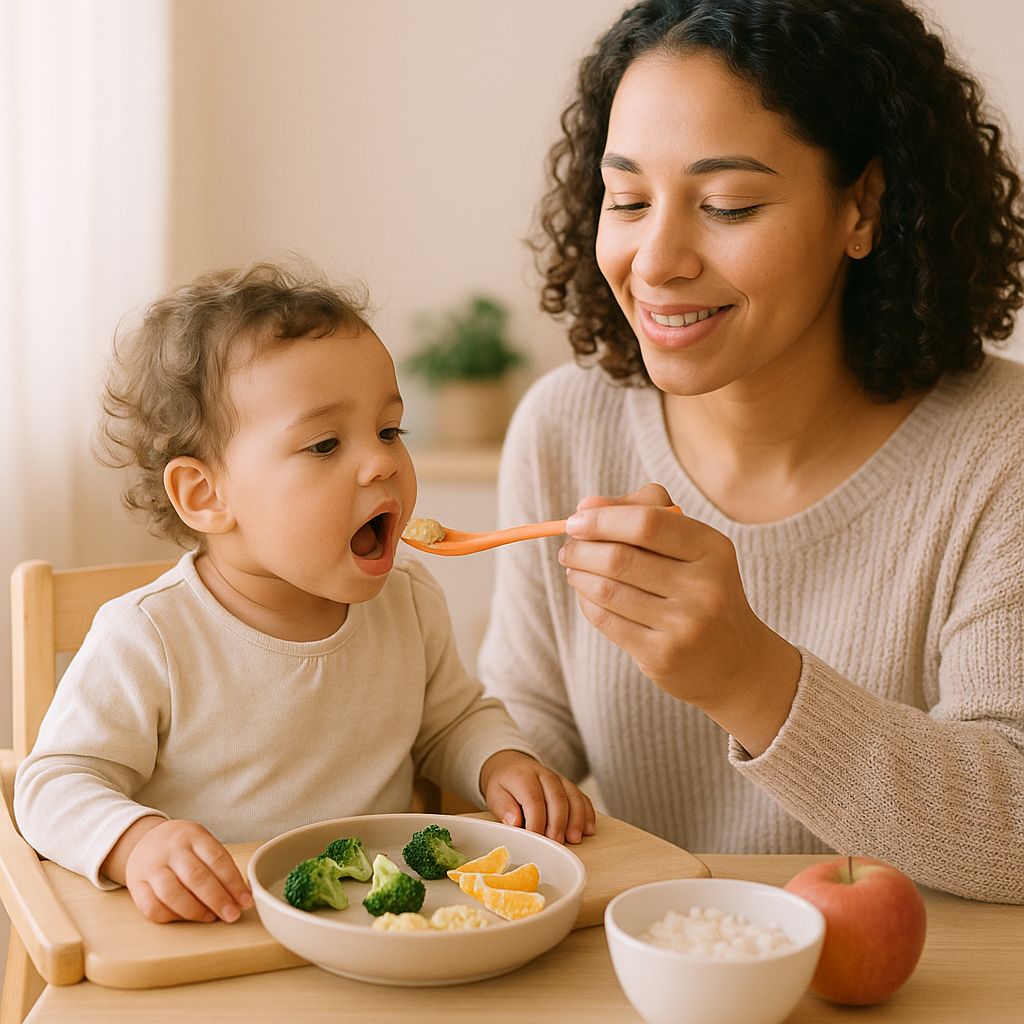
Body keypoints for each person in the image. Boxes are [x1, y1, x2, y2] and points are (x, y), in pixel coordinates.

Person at [479, 0, 1024, 903]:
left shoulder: (999, 452)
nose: (656, 262)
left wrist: (751, 679)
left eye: (727, 205)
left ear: (863, 206)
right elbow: (528, 723)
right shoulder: (566, 427)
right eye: (628, 201)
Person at [14, 260, 594, 925]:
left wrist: (499, 762)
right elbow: (53, 786)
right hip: (226, 939)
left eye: (389, 431)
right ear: (206, 496)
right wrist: (135, 843)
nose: (381, 462)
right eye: (324, 445)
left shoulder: (408, 599)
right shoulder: (148, 638)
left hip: (381, 928)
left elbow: (453, 722)